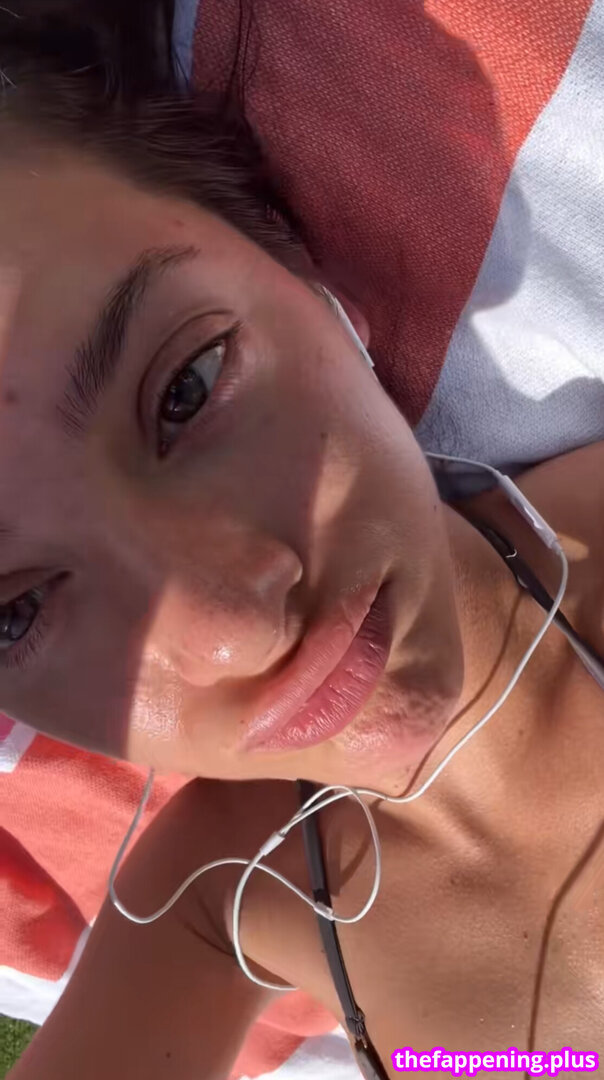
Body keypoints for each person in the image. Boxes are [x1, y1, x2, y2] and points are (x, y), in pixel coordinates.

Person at [3, 3, 603, 1077]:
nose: (238, 632)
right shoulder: (211, 905)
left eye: (187, 390)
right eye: (13, 612)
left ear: (301, 274)